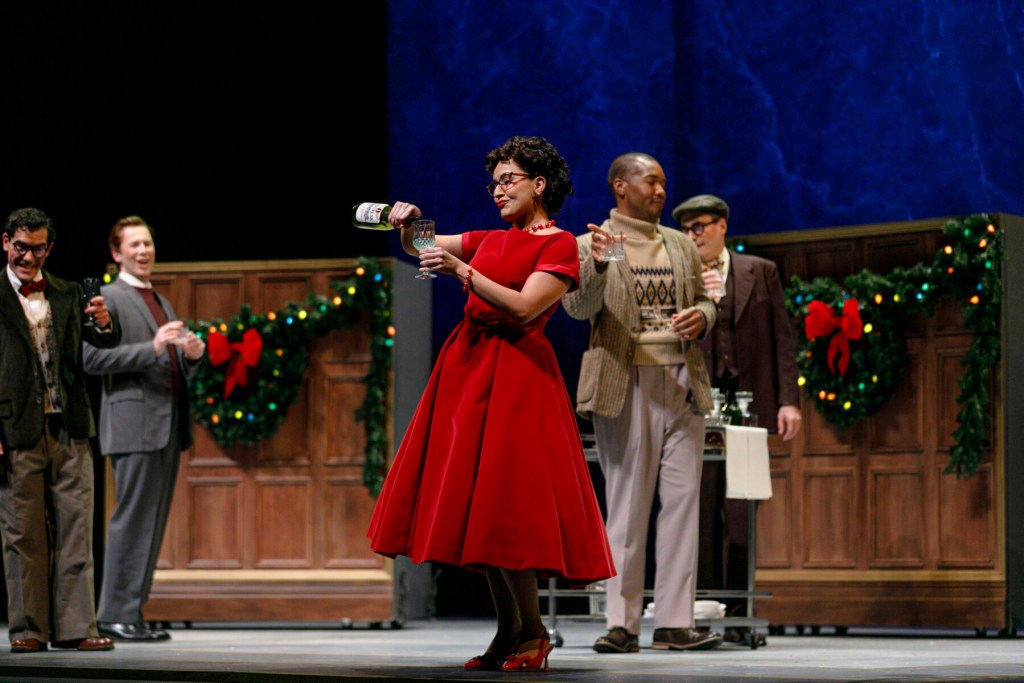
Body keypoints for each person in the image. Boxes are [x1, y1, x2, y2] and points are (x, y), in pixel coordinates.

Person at [367, 136, 614, 672]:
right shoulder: (490, 239)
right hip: (469, 371)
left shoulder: (559, 246)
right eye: (495, 182)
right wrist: (406, 222)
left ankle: (534, 633)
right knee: (480, 504)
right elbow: (420, 244)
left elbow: (527, 308)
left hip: (518, 377)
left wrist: (464, 273)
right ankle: (511, 631)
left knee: (507, 505)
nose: (498, 190)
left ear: (538, 185)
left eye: (509, 180)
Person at [562, 153, 723, 653]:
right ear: (620, 187)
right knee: (628, 506)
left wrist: (703, 316)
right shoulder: (588, 244)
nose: (660, 191)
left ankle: (674, 622)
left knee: (681, 505)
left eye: (663, 183)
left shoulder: (679, 244)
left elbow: (703, 299)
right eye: (651, 182)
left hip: (682, 381)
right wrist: (600, 263)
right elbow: (577, 307)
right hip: (623, 382)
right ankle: (622, 623)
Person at [672, 193, 801, 646]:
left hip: (749, 408)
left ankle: (741, 619)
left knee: (742, 512)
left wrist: (789, 400)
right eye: (687, 229)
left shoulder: (758, 271)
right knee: (702, 514)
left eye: (701, 225)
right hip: (696, 407)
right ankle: (704, 616)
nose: (695, 235)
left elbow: (781, 340)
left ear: (723, 225)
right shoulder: (681, 277)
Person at [0, 207, 119, 653]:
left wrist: (104, 321)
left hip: (69, 424)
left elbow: (103, 341)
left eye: (37, 248)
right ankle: (29, 629)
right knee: (23, 533)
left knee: (76, 528)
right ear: (5, 242)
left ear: (49, 249)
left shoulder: (68, 292)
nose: (28, 257)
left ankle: (75, 626)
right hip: (16, 429)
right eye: (21, 247)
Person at [83, 215, 207, 642]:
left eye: (148, 243)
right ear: (116, 253)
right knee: (131, 521)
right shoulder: (109, 297)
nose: (143, 251)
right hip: (134, 422)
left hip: (166, 423)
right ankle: (113, 613)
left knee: (151, 524)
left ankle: (131, 613)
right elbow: (91, 359)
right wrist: (152, 347)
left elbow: (169, 359)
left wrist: (190, 354)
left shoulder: (157, 298)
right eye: (134, 244)